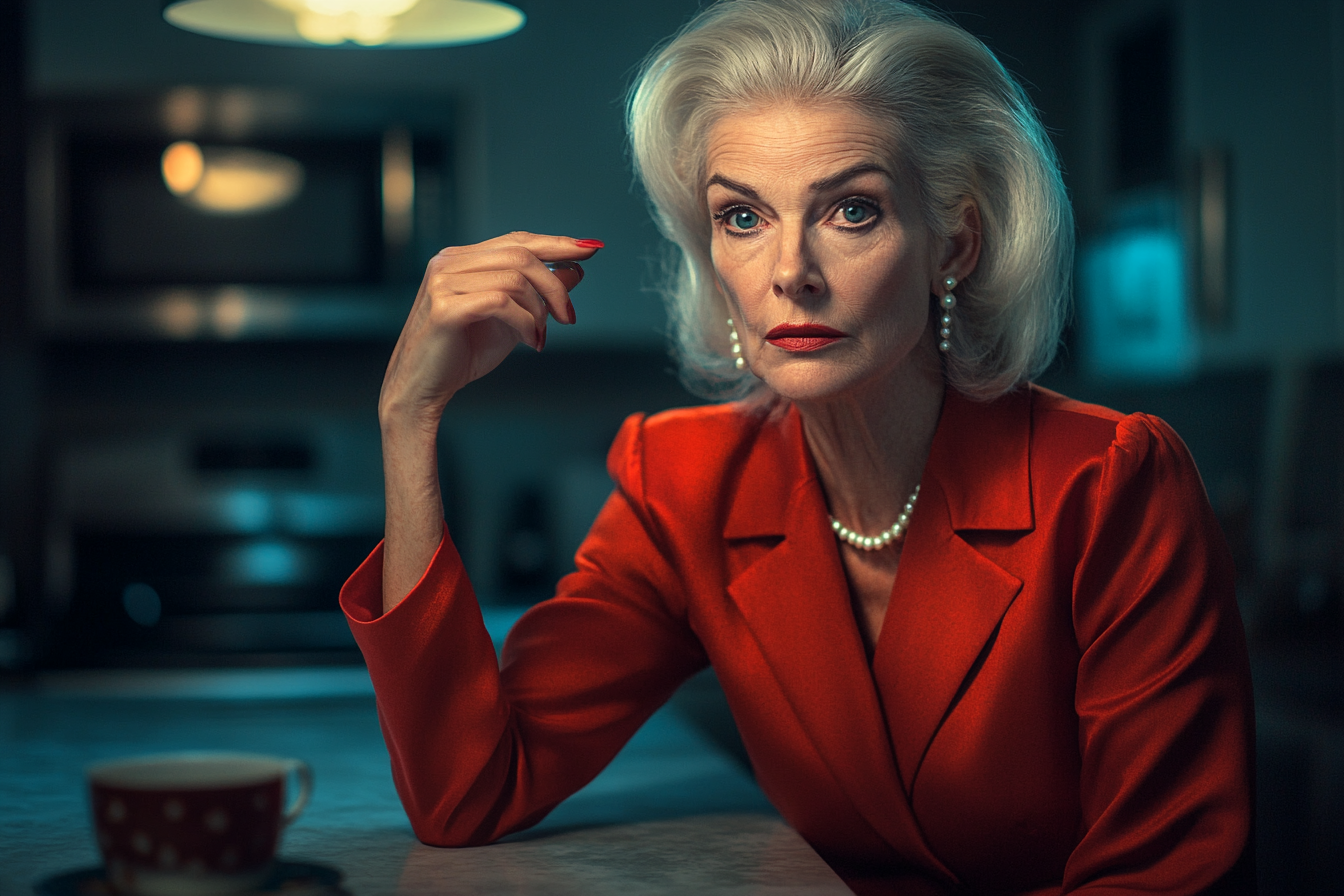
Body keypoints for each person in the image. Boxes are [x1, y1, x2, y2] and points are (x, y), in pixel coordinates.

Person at [341, 0, 1256, 893]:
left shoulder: (1110, 482)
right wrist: (406, 413)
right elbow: (467, 793)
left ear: (955, 244)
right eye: (743, 217)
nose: (789, 272)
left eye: (851, 211)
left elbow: (1167, 873)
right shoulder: (683, 481)